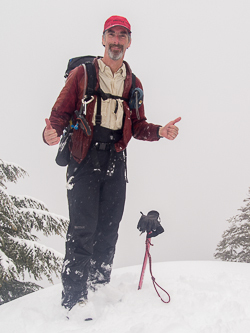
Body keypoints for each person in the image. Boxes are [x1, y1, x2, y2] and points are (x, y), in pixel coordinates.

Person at [43, 15, 181, 314]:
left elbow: (139, 124)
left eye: (122, 36)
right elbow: (59, 114)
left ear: (129, 41)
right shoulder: (82, 74)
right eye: (112, 35)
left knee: (108, 228)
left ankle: (99, 287)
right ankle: (74, 299)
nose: (117, 41)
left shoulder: (134, 82)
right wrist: (49, 133)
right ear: (103, 39)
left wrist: (159, 131)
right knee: (83, 229)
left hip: (116, 159)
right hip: (84, 157)